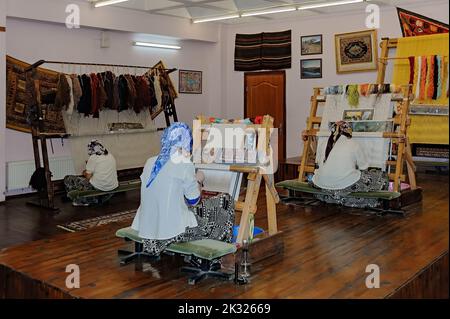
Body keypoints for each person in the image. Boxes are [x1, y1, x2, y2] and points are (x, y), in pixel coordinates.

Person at [131, 122, 235, 256]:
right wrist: (198, 179)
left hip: (148, 230)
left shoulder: (150, 162)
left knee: (200, 211)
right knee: (225, 200)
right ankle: (218, 253)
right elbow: (194, 201)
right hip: (172, 233)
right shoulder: (183, 163)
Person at [305, 121, 388, 208]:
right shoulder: (353, 143)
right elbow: (364, 167)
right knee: (381, 177)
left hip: (321, 184)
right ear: (348, 131)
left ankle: (332, 197)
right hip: (343, 185)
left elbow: (320, 163)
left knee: (319, 177)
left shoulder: (324, 143)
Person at [64, 140, 119, 206]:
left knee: (68, 178)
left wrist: (84, 172)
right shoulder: (110, 156)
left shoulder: (93, 157)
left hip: (99, 188)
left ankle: (80, 201)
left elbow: (88, 177)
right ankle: (99, 199)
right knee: (93, 181)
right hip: (112, 188)